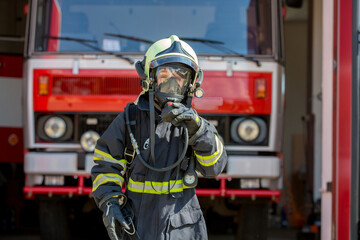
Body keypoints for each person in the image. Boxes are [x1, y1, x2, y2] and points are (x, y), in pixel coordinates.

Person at [91, 35, 227, 240]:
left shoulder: (195, 126)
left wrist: (198, 131)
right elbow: (106, 164)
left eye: (180, 75)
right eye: (165, 74)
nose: (172, 82)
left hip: (183, 230)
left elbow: (214, 168)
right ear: (150, 77)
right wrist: (110, 201)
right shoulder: (130, 120)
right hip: (136, 227)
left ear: (191, 82)